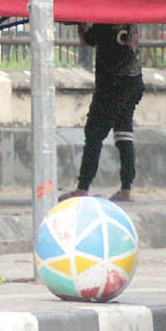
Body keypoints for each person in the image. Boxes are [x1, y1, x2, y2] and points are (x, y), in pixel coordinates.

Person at [65, 23, 143, 202]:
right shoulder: (129, 16)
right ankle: (126, 188)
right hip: (133, 81)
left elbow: (88, 39)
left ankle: (83, 187)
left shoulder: (106, 19)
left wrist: (81, 24)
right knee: (124, 132)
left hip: (111, 85)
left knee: (94, 134)